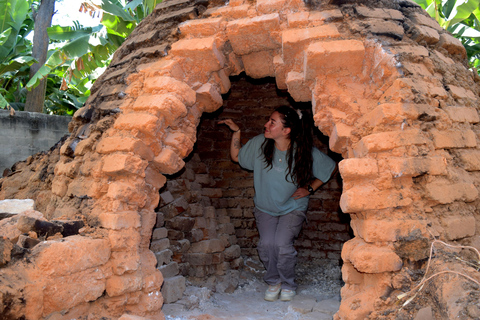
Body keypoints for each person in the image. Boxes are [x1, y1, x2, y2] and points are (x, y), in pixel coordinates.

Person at [219, 106, 336, 302]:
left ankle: (288, 284)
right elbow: (236, 157)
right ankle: (274, 281)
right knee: (266, 245)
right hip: (265, 207)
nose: (266, 124)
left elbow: (330, 168)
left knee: (282, 244)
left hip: (292, 207)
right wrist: (236, 132)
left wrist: (310, 188)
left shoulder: (303, 151)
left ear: (286, 130)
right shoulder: (260, 144)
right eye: (268, 120)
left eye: (272, 122)